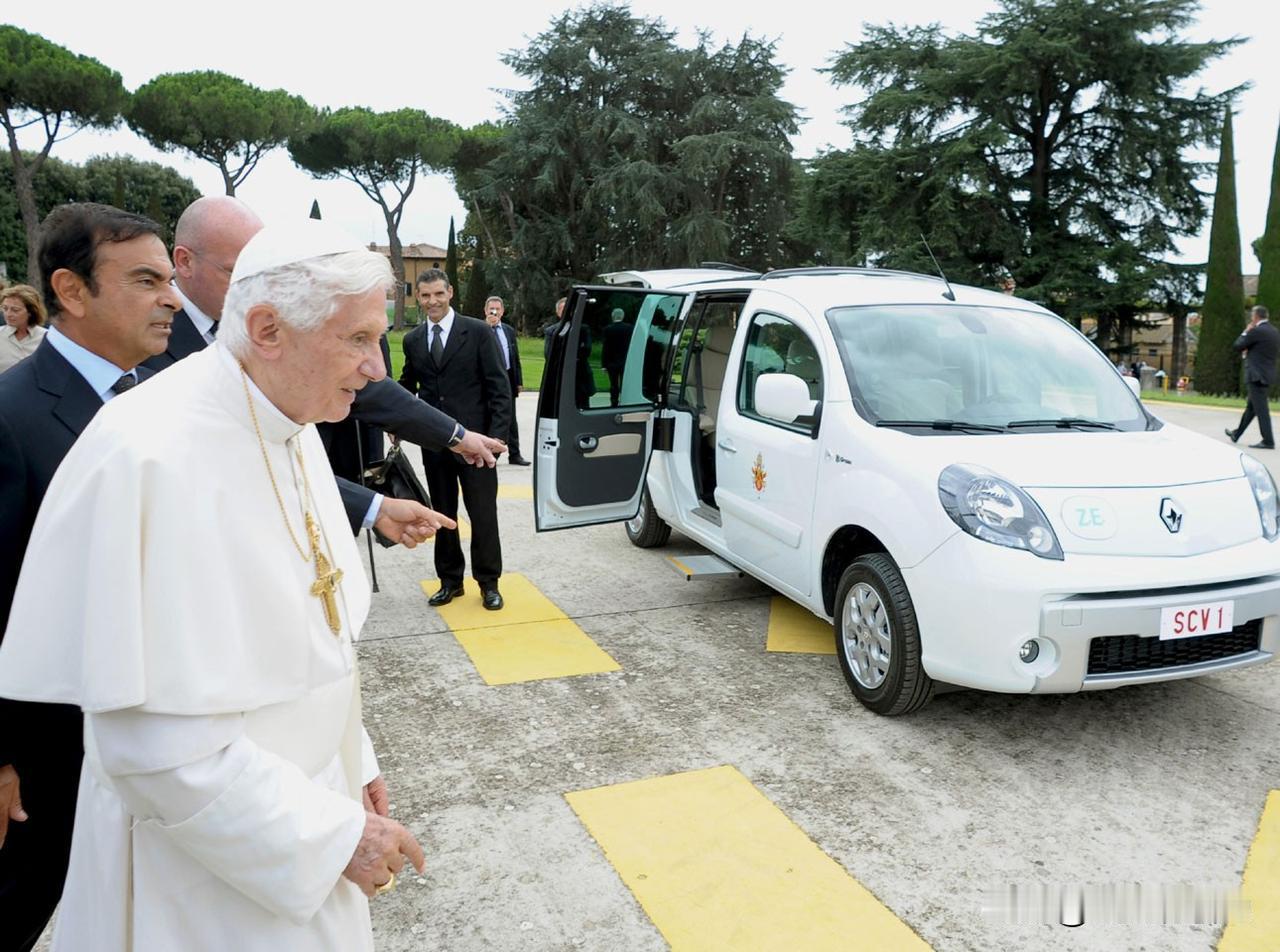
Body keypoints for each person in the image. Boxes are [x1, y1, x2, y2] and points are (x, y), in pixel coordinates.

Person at [0, 219, 439, 951]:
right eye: (358, 340)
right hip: (207, 864)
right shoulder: (152, 458)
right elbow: (152, 748)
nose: (375, 367)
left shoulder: (287, 419)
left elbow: (320, 634)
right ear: (267, 328)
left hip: (307, 805)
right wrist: (330, 837)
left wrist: (351, 760)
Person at [0, 203, 180, 951]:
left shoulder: (167, 397)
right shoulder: (12, 416)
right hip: (47, 751)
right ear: (72, 292)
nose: (172, 297)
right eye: (146, 280)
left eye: (171, 278)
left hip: (150, 738)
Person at [144, 196, 505, 529]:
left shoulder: (302, 415)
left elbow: (369, 399)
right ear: (184, 261)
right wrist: (373, 507)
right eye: (237, 271)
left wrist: (456, 437)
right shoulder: (144, 346)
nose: (256, 287)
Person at [401, 269, 511, 610]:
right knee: (441, 513)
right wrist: (390, 416)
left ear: (450, 292)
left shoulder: (477, 332)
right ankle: (450, 581)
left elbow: (498, 387)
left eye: (438, 294)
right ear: (418, 298)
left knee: (482, 514)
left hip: (476, 445)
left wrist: (497, 437)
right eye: (425, 296)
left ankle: (489, 582)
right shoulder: (413, 339)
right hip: (435, 445)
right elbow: (408, 385)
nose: (432, 301)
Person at [1225, 305, 1280, 450]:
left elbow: (1237, 346)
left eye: (1252, 317)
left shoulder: (1256, 331)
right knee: (1251, 408)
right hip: (1267, 375)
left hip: (1256, 376)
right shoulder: (1274, 332)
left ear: (1255, 317)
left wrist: (1245, 332)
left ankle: (1268, 441)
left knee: (1261, 409)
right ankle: (1237, 434)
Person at [484, 296, 529, 465]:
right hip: (487, 380)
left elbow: (514, 357)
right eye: (491, 309)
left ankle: (515, 453)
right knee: (488, 415)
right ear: (486, 310)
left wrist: (518, 381)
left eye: (497, 309)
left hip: (507, 378)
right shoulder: (481, 329)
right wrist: (488, 326)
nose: (494, 312)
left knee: (510, 418)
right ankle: (489, 452)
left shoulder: (508, 331)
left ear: (502, 311)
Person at [0, 284, 48, 374]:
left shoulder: (47, 338)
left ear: (31, 312)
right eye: (5, 308)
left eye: (15, 310)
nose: (8, 314)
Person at [601, 306, 633, 407]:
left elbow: (606, 348)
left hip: (612, 362)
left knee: (614, 384)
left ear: (612, 316)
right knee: (625, 384)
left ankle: (614, 402)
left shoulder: (608, 330)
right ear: (623, 316)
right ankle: (625, 401)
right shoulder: (629, 329)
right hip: (625, 361)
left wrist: (604, 364)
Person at [542, 295, 566, 361]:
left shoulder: (584, 329)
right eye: (563, 310)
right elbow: (548, 354)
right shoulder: (551, 331)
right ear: (558, 312)